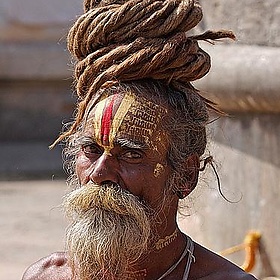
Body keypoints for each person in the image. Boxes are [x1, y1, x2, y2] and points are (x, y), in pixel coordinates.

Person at [22, 0, 258, 279]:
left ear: (185, 176)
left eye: (131, 155)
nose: (99, 174)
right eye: (91, 150)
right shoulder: (47, 275)